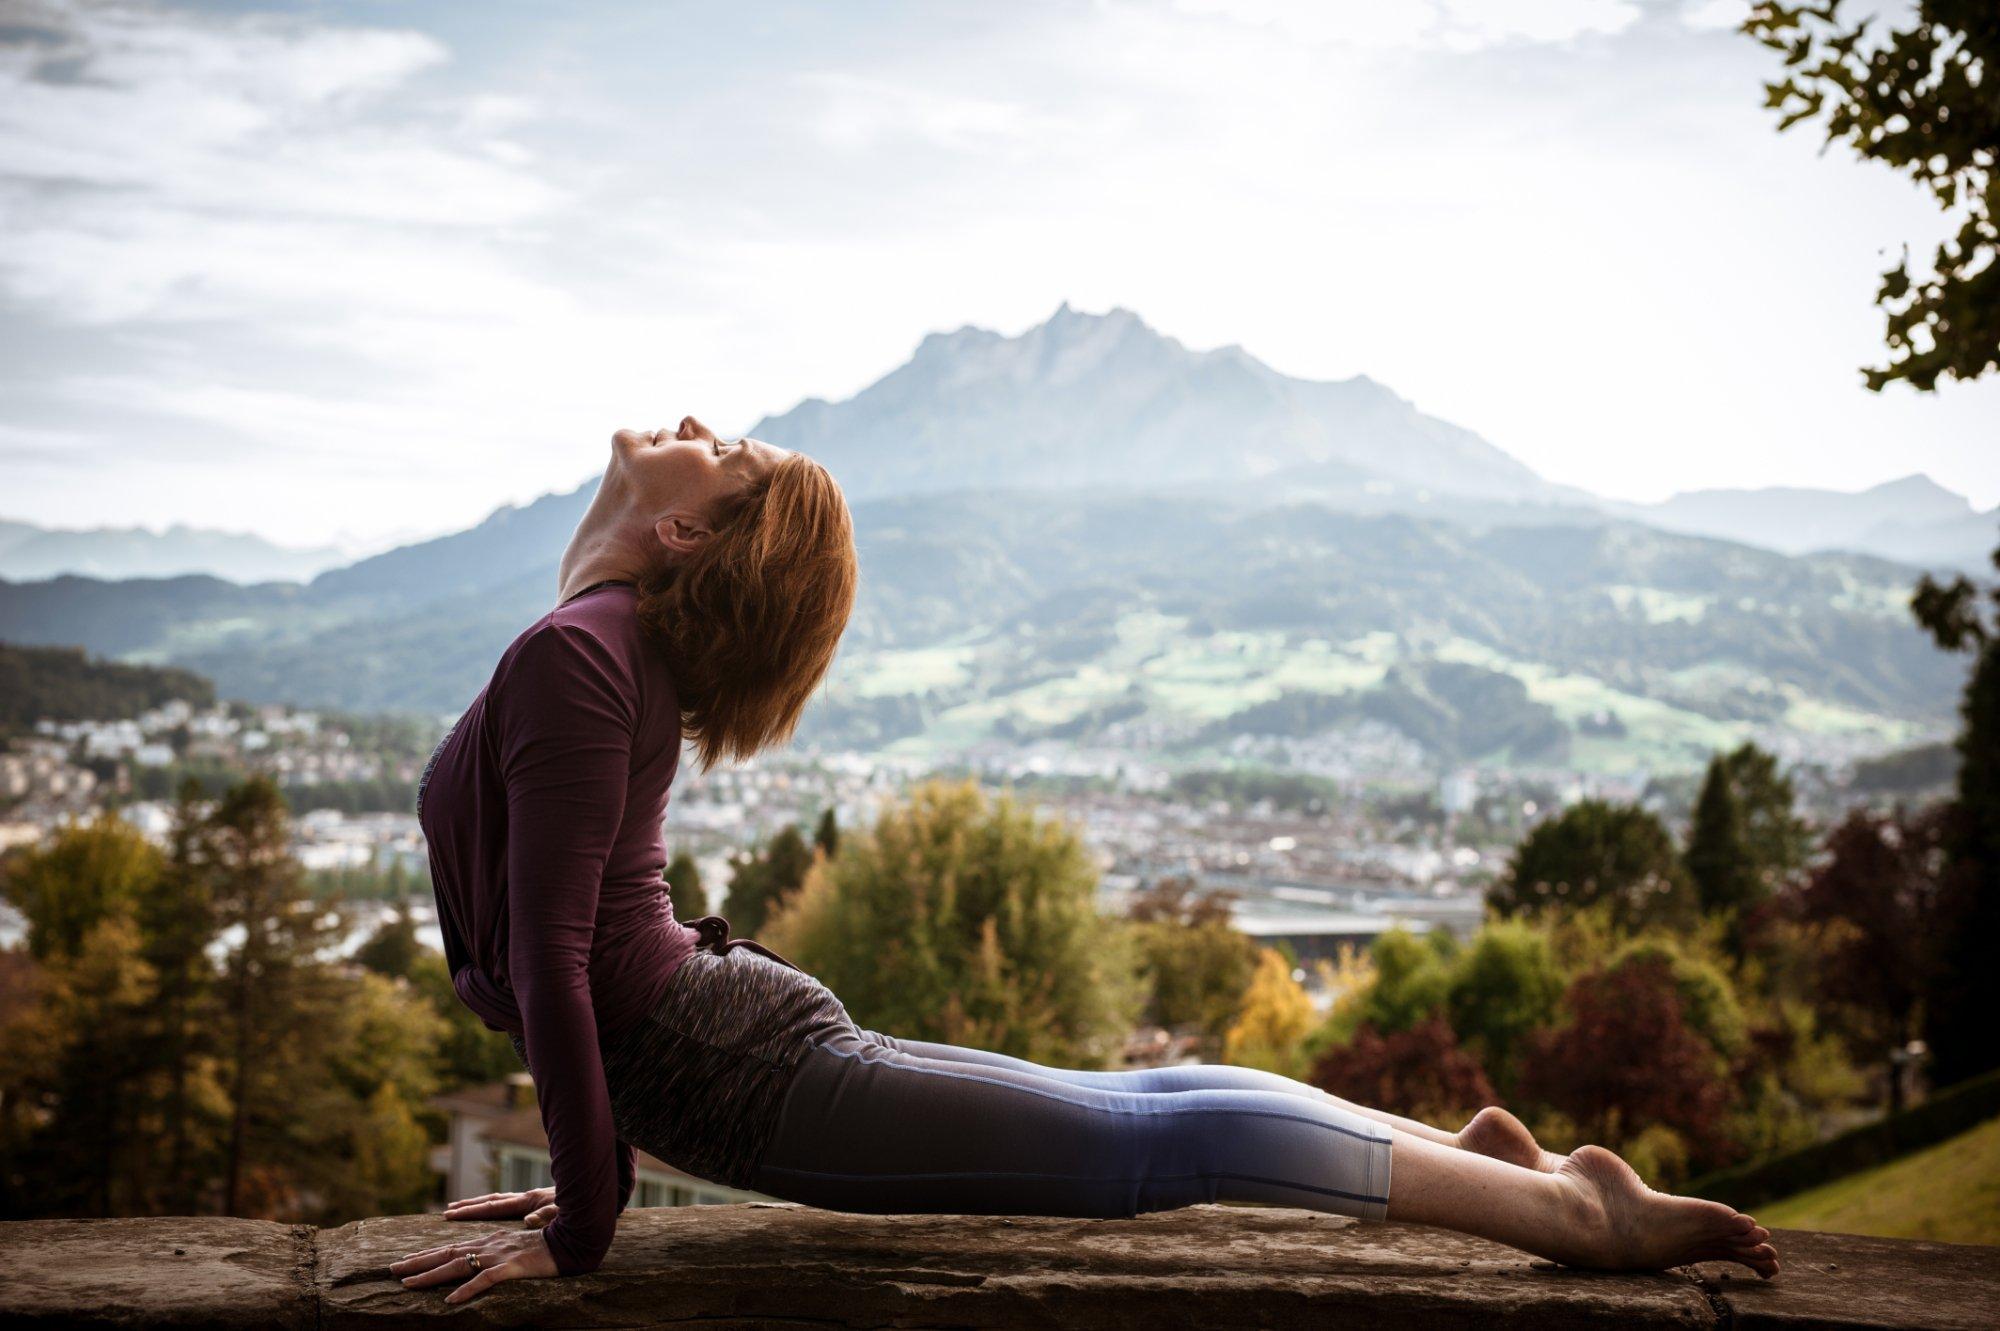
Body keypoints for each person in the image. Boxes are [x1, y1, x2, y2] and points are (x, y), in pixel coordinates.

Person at [392, 417, 1779, 1306]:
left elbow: (563, 968)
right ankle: (1463, 1156)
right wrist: (601, 1172)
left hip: (741, 1069)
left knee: (1142, 1140)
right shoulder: (595, 647)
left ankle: (1567, 1211)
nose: (699, 426)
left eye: (729, 450)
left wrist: (583, 1224)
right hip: (727, 1046)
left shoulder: (583, 653)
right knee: (1143, 1108)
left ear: (684, 531)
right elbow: (571, 955)